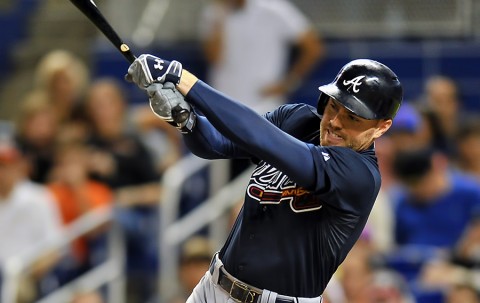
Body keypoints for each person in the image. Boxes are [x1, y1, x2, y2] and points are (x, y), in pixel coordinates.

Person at [125, 55, 403, 302]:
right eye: (334, 107)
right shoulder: (298, 120)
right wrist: (185, 119)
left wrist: (181, 78)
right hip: (212, 287)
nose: (335, 122)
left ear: (382, 127)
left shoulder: (361, 176)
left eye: (353, 118)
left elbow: (259, 136)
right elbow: (216, 143)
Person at [199, 0, 324, 113]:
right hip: (222, 105)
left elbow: (313, 47)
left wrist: (289, 83)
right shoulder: (213, 14)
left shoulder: (275, 8)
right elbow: (214, 57)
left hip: (264, 106)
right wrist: (220, 16)